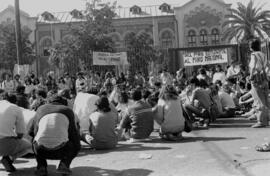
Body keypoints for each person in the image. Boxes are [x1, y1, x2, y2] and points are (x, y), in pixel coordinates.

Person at [29, 95, 80, 175]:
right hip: (62, 149)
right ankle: (64, 165)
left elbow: (31, 132)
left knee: (34, 141)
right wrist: (77, 147)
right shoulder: (68, 110)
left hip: (40, 150)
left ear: (49, 102)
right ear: (63, 103)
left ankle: (41, 166)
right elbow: (73, 133)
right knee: (75, 142)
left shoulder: (40, 109)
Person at [0, 90, 32, 172]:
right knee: (28, 145)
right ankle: (8, 158)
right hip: (3, 144)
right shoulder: (16, 108)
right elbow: (20, 134)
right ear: (16, 101)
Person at [249, 39, 269, 128]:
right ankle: (267, 118)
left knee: (259, 100)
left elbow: (253, 66)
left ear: (251, 47)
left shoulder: (254, 55)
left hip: (257, 79)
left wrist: (250, 76)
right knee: (265, 100)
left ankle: (261, 121)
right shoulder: (263, 55)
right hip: (264, 79)